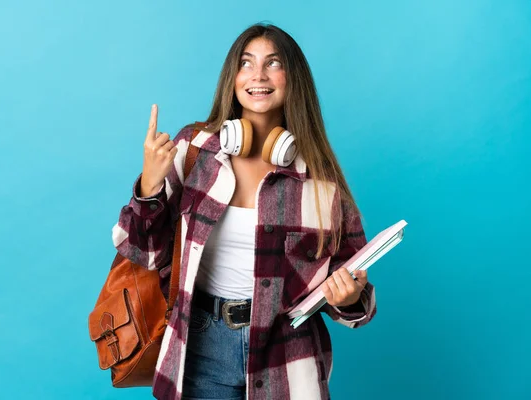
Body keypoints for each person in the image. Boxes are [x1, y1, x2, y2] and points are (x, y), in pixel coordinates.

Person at [112, 23, 376, 400]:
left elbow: (356, 291)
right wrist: (150, 188)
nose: (258, 75)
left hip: (286, 350)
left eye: (273, 63)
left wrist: (349, 299)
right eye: (247, 63)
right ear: (233, 77)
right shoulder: (195, 149)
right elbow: (141, 251)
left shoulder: (320, 180)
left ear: (291, 78)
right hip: (201, 345)